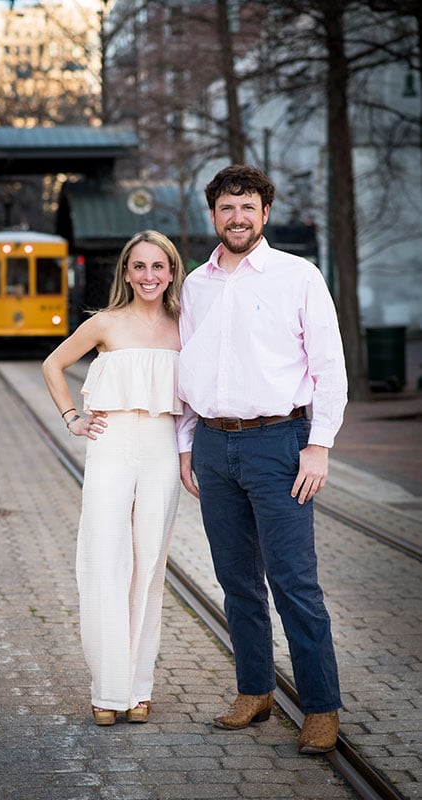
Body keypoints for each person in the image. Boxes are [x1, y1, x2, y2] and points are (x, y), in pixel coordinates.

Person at [176, 165, 348, 754]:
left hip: (281, 444)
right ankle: (255, 690)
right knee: (236, 582)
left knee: (294, 582)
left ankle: (321, 706)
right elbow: (188, 367)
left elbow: (329, 367)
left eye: (248, 206)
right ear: (214, 215)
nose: (238, 217)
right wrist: (186, 443)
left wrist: (318, 446)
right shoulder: (195, 285)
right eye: (227, 208)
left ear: (265, 213)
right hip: (214, 447)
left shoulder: (297, 276)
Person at [42, 230, 185, 726]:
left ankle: (139, 688)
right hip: (111, 447)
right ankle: (108, 689)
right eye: (139, 266)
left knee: (148, 569)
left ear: (171, 273)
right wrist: (71, 419)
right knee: (105, 564)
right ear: (126, 272)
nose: (149, 276)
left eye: (158, 267)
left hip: (163, 449)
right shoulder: (104, 323)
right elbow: (53, 364)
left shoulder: (185, 325)